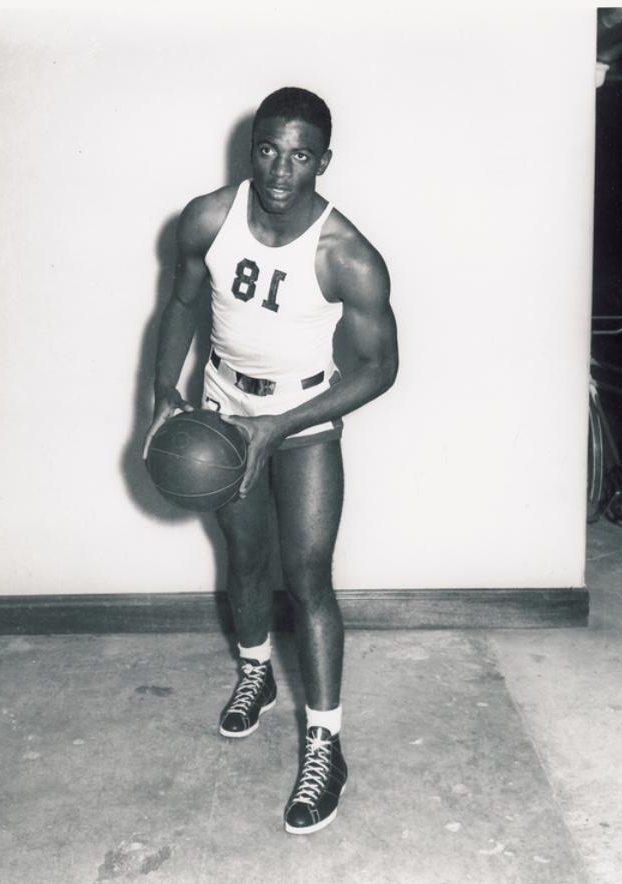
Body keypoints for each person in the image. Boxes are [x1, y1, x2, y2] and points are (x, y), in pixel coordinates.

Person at [143, 86, 398, 835]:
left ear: (323, 159)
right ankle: (257, 671)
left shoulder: (347, 254)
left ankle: (326, 745)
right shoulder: (208, 219)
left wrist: (280, 425)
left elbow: (380, 367)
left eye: (300, 155)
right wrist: (165, 388)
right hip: (224, 409)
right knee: (246, 561)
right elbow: (183, 303)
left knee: (308, 576)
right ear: (249, 147)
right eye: (268, 149)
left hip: (303, 418)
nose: (281, 170)